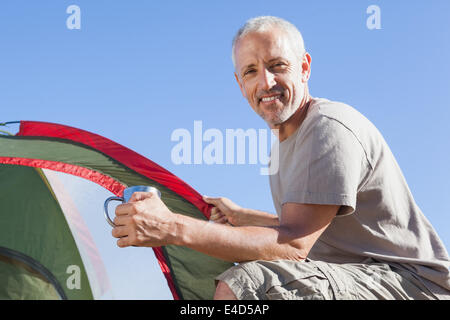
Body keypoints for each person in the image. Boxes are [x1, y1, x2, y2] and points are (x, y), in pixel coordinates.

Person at [111, 16, 450, 300]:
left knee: (249, 284)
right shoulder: (284, 141)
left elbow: (294, 245)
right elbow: (314, 229)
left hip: (412, 284)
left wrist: (171, 226)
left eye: (277, 66)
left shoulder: (328, 129)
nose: (266, 82)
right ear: (239, 84)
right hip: (359, 272)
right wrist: (247, 218)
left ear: (304, 68)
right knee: (222, 267)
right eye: (250, 72)